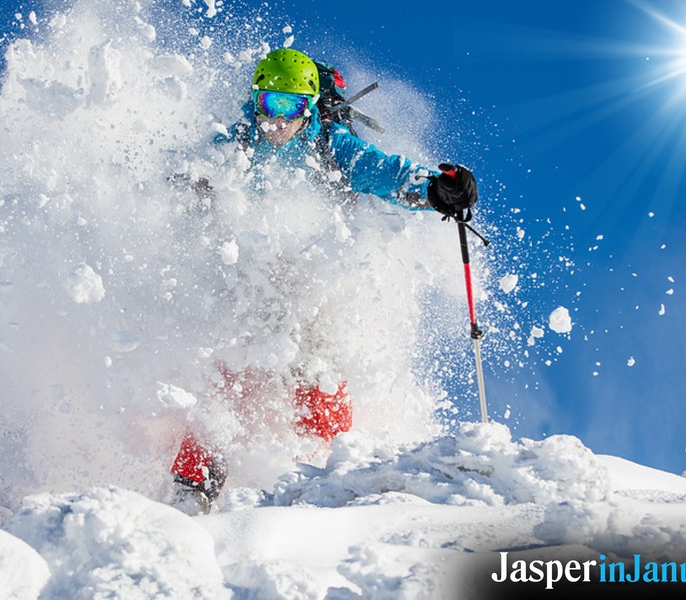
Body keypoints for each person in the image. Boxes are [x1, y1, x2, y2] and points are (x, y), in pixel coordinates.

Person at [170, 48, 477, 513]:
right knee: (229, 373)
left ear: (308, 108)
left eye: (289, 107)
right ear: (255, 101)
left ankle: (336, 475)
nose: (276, 119)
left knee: (317, 370)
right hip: (246, 280)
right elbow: (189, 173)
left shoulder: (329, 145)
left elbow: (383, 171)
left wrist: (434, 188)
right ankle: (192, 488)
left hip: (307, 284)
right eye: (269, 104)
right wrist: (187, 188)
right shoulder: (233, 143)